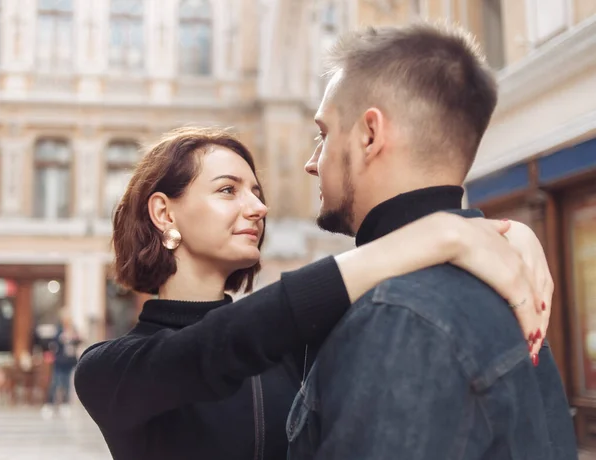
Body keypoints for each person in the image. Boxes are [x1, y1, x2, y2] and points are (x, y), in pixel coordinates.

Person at [75, 127, 550, 460]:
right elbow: (214, 349)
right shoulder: (108, 372)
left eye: (257, 192)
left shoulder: (289, 349)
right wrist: (439, 236)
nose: (258, 207)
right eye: (228, 190)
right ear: (164, 213)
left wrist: (503, 235)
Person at [286, 23, 577, 460]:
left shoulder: (400, 319)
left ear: (369, 135)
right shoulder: (502, 286)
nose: (313, 163)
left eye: (323, 135)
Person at [42, 309, 81, 418]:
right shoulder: (58, 329)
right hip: (59, 361)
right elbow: (53, 342)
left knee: (66, 384)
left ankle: (65, 404)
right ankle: (50, 404)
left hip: (69, 361)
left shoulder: (74, 329)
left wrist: (74, 338)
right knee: (55, 382)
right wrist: (62, 338)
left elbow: (79, 340)